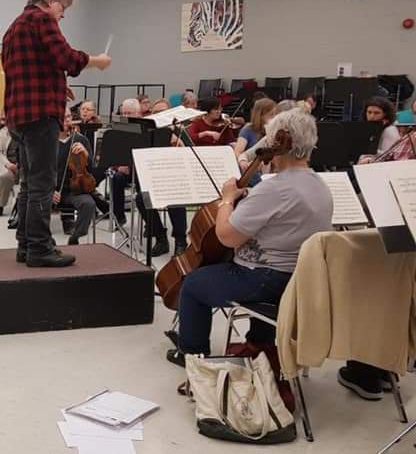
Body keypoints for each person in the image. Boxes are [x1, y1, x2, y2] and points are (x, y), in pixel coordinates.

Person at [170, 110, 333, 365]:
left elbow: (227, 237)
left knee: (194, 284)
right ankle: (259, 343)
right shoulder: (319, 184)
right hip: (300, 279)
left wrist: (227, 199)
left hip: (266, 279)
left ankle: (192, 354)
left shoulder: (274, 188)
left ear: (278, 143)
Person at [3, 0, 111, 268]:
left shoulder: (14, 27)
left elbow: (27, 70)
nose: (63, 15)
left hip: (18, 116)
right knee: (42, 184)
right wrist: (96, 60)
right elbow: (66, 57)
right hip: (40, 117)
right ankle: (40, 249)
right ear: (51, 0)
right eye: (63, 8)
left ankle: (25, 246)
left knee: (29, 184)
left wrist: (56, 86)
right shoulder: (43, 20)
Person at [110, 98, 188, 256]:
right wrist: (122, 164)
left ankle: (181, 241)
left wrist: (180, 145)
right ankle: (161, 238)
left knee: (176, 200)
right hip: (150, 178)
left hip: (173, 179)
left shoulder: (179, 130)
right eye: (156, 112)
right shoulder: (147, 131)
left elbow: (189, 155)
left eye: (163, 112)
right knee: (141, 199)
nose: (160, 115)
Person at [53, 108, 110, 245]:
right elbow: (39, 171)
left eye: (68, 117)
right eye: (63, 117)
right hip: (52, 191)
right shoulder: (47, 141)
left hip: (75, 189)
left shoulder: (80, 139)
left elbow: (92, 170)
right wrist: (48, 191)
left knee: (88, 204)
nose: (67, 120)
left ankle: (76, 237)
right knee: (34, 203)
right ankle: (44, 243)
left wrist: (86, 154)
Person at [0, 125, 19, 218]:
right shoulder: (4, 131)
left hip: (24, 165)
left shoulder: (29, 130)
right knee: (4, 176)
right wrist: (8, 164)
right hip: (9, 165)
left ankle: (21, 208)